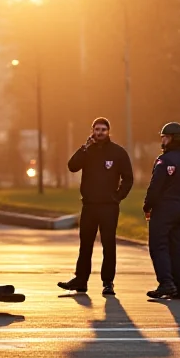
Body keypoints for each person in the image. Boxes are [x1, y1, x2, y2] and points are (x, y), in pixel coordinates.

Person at [59, 117, 134, 296]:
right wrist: (84, 148)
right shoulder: (87, 151)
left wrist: (118, 196)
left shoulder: (118, 152)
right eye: (96, 129)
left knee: (108, 245)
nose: (99, 133)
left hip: (109, 207)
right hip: (89, 206)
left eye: (103, 130)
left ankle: (108, 282)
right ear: (92, 131)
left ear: (108, 132)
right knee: (85, 244)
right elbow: (72, 166)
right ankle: (80, 280)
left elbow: (128, 178)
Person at [143, 122, 180, 299]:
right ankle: (179, 285)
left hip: (163, 208)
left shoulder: (164, 161)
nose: (163, 140)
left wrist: (147, 206)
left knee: (158, 246)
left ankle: (166, 283)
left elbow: (155, 187)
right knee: (176, 247)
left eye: (165, 137)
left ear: (172, 138)